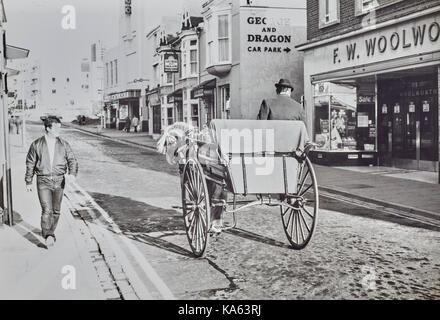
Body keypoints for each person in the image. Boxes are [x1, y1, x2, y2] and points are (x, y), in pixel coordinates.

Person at [25, 116, 78, 248]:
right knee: (46, 210)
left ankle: (50, 232)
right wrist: (28, 181)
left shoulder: (64, 144)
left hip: (59, 181)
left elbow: (72, 160)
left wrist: (72, 174)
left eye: (60, 128)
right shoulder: (37, 144)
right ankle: (48, 235)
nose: (59, 131)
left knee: (56, 211)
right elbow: (30, 163)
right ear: (48, 128)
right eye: (56, 128)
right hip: (43, 180)